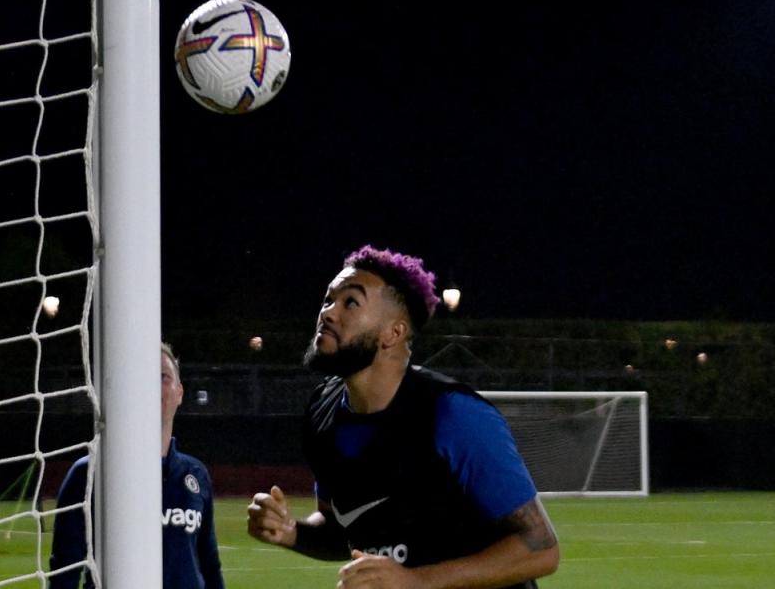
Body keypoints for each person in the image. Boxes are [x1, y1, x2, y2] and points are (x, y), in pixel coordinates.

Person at [247, 245, 559, 588]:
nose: (329, 313)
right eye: (328, 300)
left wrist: (416, 581)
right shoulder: (323, 415)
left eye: (350, 302)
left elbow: (541, 549)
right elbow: (344, 530)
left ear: (393, 334)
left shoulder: (454, 415)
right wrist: (291, 532)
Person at [49, 343, 225, 589]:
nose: (153, 384)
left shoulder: (195, 474)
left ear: (180, 393)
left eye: (163, 377)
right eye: (142, 375)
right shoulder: (89, 474)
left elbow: (210, 566)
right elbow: (64, 571)